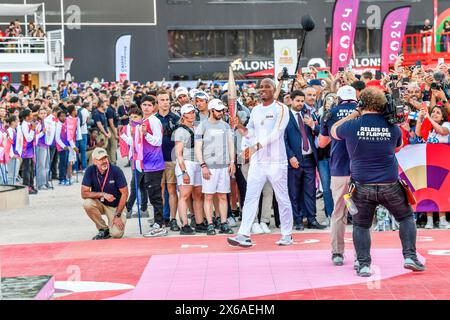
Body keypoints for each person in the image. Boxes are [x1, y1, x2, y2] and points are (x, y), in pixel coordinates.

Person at [331, 87, 425, 277]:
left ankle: (364, 265)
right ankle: (409, 256)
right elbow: (397, 149)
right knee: (406, 217)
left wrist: (355, 113)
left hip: (361, 185)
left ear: (361, 104)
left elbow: (333, 131)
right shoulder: (393, 127)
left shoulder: (352, 126)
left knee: (361, 224)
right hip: (389, 184)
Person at [228, 78, 294, 248]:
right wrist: (240, 127)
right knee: (250, 196)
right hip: (258, 162)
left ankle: (287, 234)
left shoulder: (282, 109)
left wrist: (255, 147)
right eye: (261, 87)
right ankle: (244, 234)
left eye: (267, 86)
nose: (263, 89)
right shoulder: (256, 110)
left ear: (274, 89)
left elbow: (277, 133)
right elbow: (249, 133)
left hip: (276, 162)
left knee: (282, 198)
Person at [319, 86, 357, 266]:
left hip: (339, 168)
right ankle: (361, 254)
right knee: (361, 213)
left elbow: (321, 142)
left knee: (338, 213)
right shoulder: (365, 112)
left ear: (339, 98)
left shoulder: (330, 112)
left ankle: (337, 253)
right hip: (360, 169)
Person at [285, 90, 326, 231]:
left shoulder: (308, 115)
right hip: (294, 160)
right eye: (298, 101)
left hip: (309, 159)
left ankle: (312, 219)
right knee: (294, 192)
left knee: (310, 192)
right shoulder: (285, 116)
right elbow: (283, 139)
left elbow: (322, 130)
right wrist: (290, 156)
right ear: (291, 100)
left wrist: (313, 125)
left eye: (302, 101)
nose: (301, 103)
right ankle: (297, 220)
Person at [195, 99, 235, 236]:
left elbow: (230, 144)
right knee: (208, 197)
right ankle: (210, 224)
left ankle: (223, 223)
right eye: (218, 110)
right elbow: (198, 148)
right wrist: (203, 165)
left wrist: (232, 162)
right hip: (209, 167)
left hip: (224, 166)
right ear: (211, 110)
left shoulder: (225, 126)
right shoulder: (202, 126)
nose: (221, 113)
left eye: (222, 110)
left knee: (223, 196)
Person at [81, 148, 129, 240]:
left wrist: (117, 215)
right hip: (101, 203)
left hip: (116, 206)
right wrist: (102, 194)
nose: (104, 161)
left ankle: (114, 223)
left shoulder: (116, 170)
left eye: (105, 158)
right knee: (87, 203)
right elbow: (84, 193)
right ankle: (103, 229)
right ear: (94, 161)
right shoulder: (90, 170)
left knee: (116, 234)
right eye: (100, 159)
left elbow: (125, 194)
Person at [415, 105, 450, 229]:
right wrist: (420, 118)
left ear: (443, 116)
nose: (435, 114)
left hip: (443, 164)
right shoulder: (429, 127)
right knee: (428, 190)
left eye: (438, 113)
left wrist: (428, 118)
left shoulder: (446, 124)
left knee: (441, 190)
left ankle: (442, 219)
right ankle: (429, 220)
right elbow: (418, 134)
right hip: (429, 163)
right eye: (433, 112)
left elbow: (442, 132)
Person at [174, 104, 205, 235]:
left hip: (197, 163)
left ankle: (199, 222)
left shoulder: (197, 127)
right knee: (185, 195)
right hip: (187, 163)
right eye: (189, 112)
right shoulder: (180, 131)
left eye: (193, 112)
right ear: (183, 115)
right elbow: (178, 153)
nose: (192, 114)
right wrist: (184, 171)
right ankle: (184, 225)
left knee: (198, 195)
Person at [139, 95, 167, 238]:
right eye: (144, 105)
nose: (147, 107)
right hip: (147, 164)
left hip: (155, 164)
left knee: (155, 196)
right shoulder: (143, 121)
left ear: (154, 107)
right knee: (152, 195)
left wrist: (145, 134)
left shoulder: (154, 121)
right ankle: (158, 223)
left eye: (150, 105)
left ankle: (160, 225)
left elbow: (158, 141)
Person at [156, 91, 180, 231]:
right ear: (157, 103)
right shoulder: (153, 119)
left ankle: (173, 218)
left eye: (167, 99)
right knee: (160, 190)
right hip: (157, 161)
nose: (165, 102)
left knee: (171, 189)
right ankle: (161, 219)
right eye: (162, 100)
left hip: (171, 159)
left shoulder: (176, 118)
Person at [123, 107, 149, 219]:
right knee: (142, 186)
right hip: (134, 158)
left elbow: (135, 143)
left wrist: (124, 137)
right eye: (131, 117)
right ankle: (144, 209)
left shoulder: (140, 127)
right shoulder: (131, 128)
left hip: (140, 159)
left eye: (135, 117)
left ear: (141, 118)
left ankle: (128, 208)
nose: (133, 119)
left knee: (134, 186)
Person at [21, 109, 38, 194]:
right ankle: (27, 186)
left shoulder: (29, 123)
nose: (33, 115)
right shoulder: (24, 125)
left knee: (31, 169)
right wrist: (32, 129)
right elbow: (28, 138)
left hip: (31, 149)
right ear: (27, 117)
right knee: (27, 169)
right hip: (26, 150)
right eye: (31, 114)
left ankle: (31, 185)